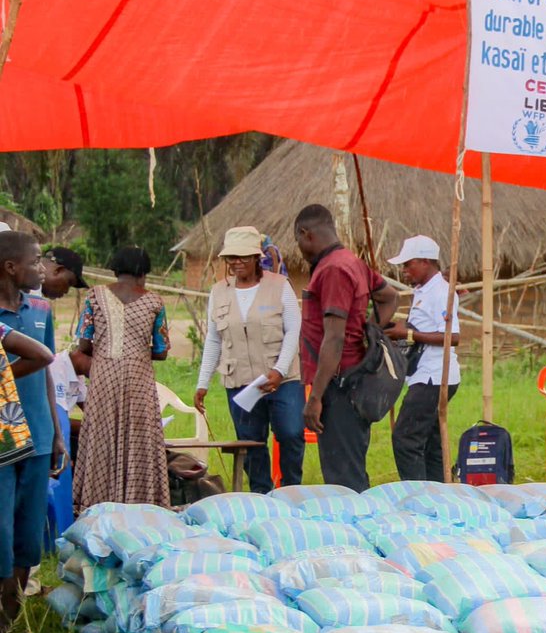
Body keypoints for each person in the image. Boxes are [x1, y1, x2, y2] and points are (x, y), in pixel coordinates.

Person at [294, 205, 398, 492]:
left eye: (298, 242)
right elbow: (390, 298)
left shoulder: (334, 269)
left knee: (344, 481)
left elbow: (334, 338)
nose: (300, 251)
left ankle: (356, 534)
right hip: (352, 380)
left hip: (339, 386)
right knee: (349, 469)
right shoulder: (352, 262)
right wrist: (369, 332)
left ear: (306, 234)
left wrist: (315, 397)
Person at [193, 226, 304, 492]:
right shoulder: (218, 291)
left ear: (257, 257)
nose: (236, 262)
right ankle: (261, 495)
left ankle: (291, 491)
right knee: (250, 442)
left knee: (290, 434)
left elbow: (293, 331)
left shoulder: (279, 286)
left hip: (282, 379)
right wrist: (202, 383)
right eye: (231, 257)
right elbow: (214, 339)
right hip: (240, 381)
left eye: (243, 256)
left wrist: (279, 370)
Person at [73, 246, 171, 514]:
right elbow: (161, 350)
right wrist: (138, 351)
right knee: (139, 438)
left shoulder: (95, 297)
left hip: (103, 376)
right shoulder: (154, 302)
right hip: (138, 378)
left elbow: (83, 342)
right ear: (142, 274)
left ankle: (96, 506)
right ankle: (140, 505)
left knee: (100, 437)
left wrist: (106, 351)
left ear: (115, 270)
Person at [0, 232, 64, 600]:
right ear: (10, 268)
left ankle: (9, 623)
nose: (43, 269)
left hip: (38, 437)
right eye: (35, 262)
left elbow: (47, 369)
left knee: (27, 538)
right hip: (4, 439)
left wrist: (56, 432)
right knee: (2, 536)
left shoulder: (41, 311)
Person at [386, 235, 460, 482]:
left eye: (409, 264)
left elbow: (453, 335)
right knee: (429, 440)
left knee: (405, 438)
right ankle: (437, 492)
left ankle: (417, 495)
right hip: (423, 373)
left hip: (435, 376)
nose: (404, 271)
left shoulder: (442, 292)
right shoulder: (422, 291)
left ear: (426, 261)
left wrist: (408, 333)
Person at [0, 320, 53, 633]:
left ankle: (5, 629)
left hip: (8, 435)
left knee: (16, 538)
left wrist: (4, 375)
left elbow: (43, 354)